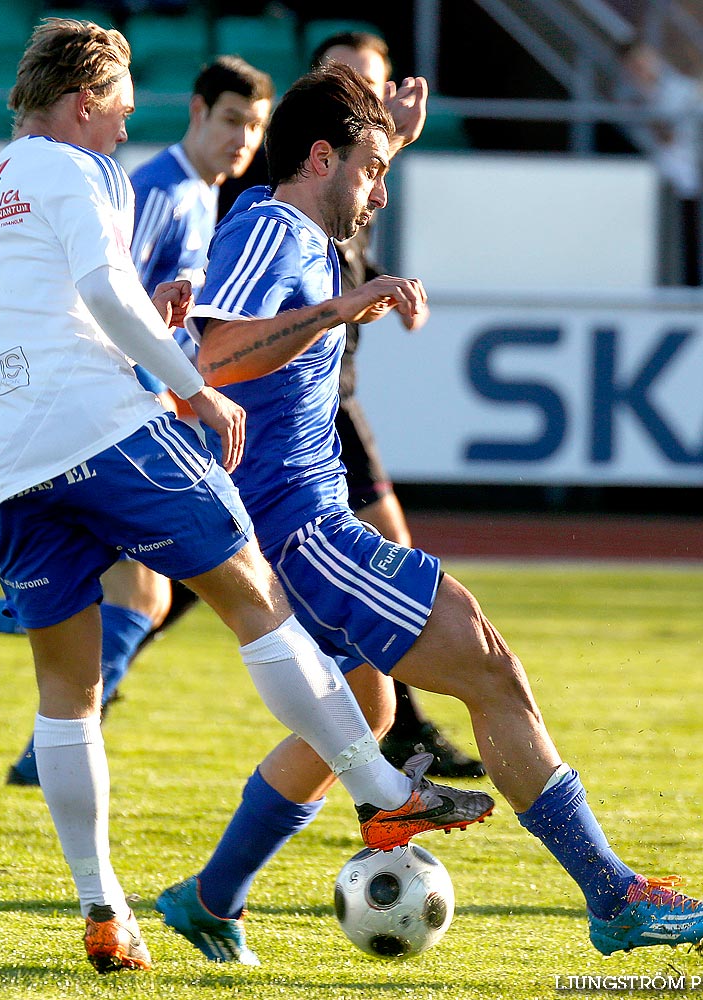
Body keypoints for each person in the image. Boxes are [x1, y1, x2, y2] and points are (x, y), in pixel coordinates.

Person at [153, 63, 703, 965]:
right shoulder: (274, 227)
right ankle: (614, 897)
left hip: (281, 527)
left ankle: (208, 898)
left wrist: (381, 135)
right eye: (373, 173)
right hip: (303, 532)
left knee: (360, 707)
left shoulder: (297, 221)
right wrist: (342, 306)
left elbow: (316, 223)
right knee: (489, 668)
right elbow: (217, 357)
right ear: (319, 157)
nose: (380, 195)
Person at [0, 18, 492, 974]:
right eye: (114, 111)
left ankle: (103, 908)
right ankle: (375, 786)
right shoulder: (71, 170)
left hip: (0, 461)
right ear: (80, 105)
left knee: (66, 698)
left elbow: (43, 318)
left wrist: (136, 338)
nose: (120, 130)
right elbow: (106, 293)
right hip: (97, 430)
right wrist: (188, 383)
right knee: (254, 594)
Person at [0, 55, 274, 787]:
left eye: (255, 128)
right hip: (108, 417)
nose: (243, 140)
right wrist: (177, 378)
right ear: (197, 113)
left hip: (85, 416)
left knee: (131, 595)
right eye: (232, 120)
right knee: (158, 592)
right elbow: (98, 293)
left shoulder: (194, 194)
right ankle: (46, 740)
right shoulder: (151, 187)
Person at [310, 30, 483, 779]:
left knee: (209, 581)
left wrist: (380, 285)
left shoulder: (350, 166)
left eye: (374, 84)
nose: (367, 96)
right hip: (313, 401)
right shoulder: (306, 161)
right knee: (392, 561)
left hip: (335, 393)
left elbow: (344, 244)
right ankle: (399, 729)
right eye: (350, 80)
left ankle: (397, 725)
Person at [618, 41, 703, 287]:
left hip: (686, 174)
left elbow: (673, 135)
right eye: (634, 65)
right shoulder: (625, 96)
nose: (641, 68)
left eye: (644, 61)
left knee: (689, 235)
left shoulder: (680, 89)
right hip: (647, 179)